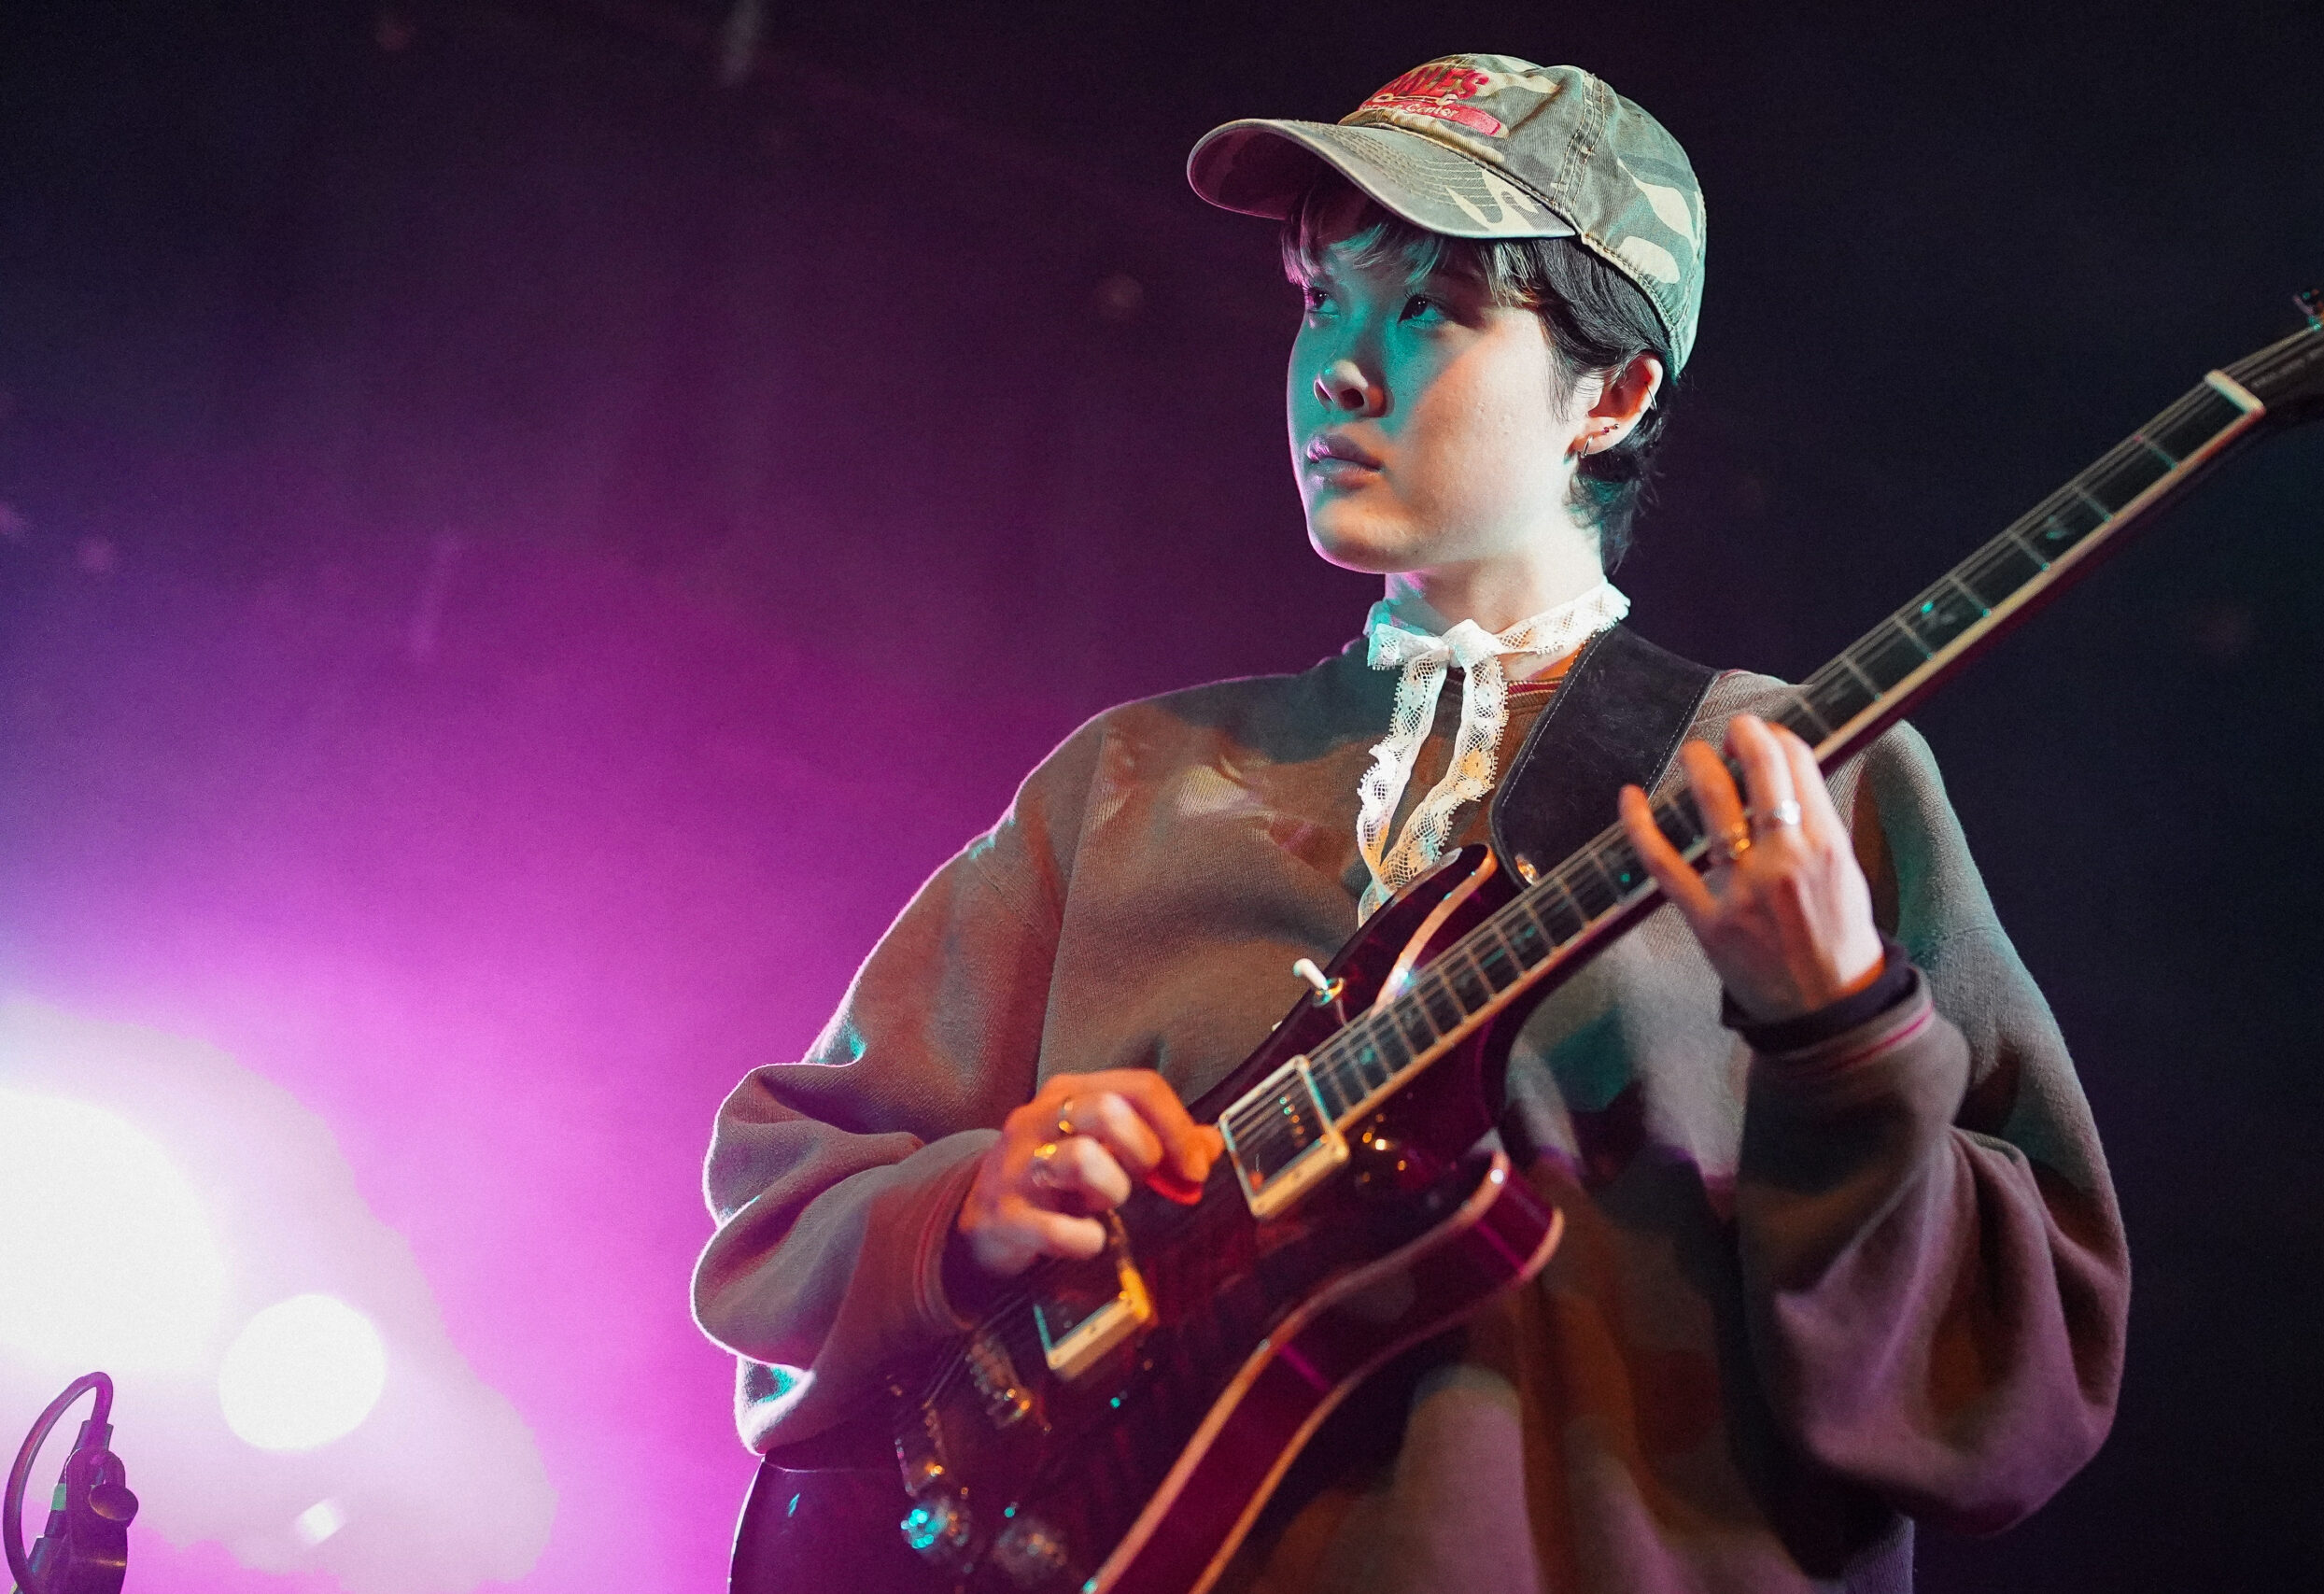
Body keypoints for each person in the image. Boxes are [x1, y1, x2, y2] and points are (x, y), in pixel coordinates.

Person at [694, 53, 2128, 1593]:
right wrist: (973, 1209)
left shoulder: (1802, 776)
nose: (1338, 370)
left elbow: (2012, 1397)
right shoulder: (1132, 780)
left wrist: (1842, 1035)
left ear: (1612, 397)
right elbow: (784, 1206)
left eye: (1433, 310)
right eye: (1323, 300)